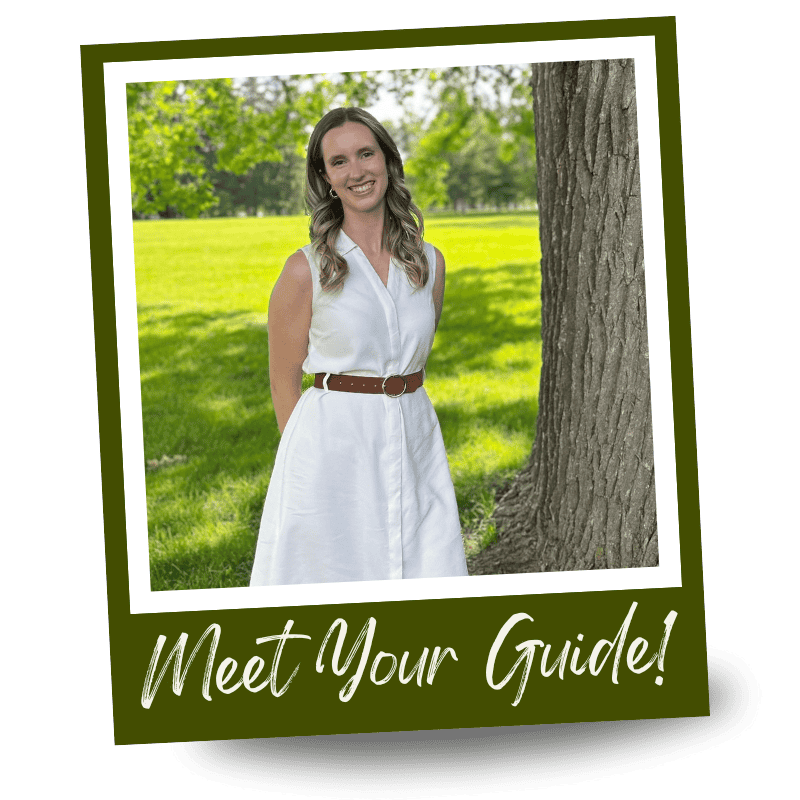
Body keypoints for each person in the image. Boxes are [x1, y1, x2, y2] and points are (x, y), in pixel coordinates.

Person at [249, 107, 468, 586]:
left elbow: (414, 351)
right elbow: (283, 375)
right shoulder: (305, 270)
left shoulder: (428, 262)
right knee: (332, 569)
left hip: (414, 433)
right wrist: (304, 465)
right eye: (339, 161)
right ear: (326, 177)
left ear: (388, 161)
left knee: (424, 562)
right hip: (333, 443)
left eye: (366, 154)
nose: (357, 171)